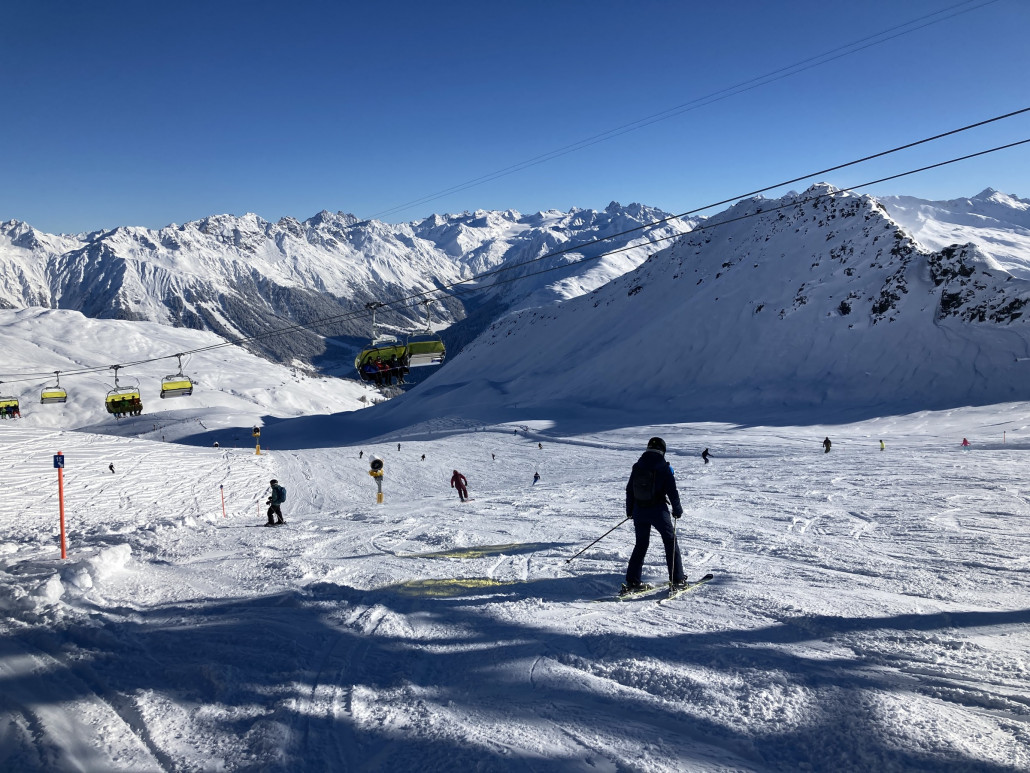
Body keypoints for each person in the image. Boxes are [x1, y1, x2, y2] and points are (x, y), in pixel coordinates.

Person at [625, 437, 686, 592]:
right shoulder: (664, 467)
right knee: (670, 541)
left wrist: (630, 511)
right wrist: (677, 510)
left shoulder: (637, 466)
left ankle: (633, 581)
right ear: (662, 450)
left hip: (639, 510)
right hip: (658, 510)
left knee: (641, 544)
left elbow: (630, 489)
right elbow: (672, 492)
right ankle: (677, 579)